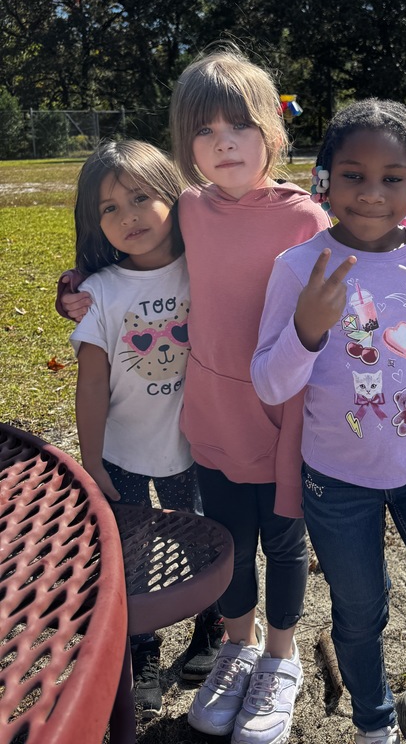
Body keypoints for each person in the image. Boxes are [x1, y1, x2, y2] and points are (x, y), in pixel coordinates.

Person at [60, 46, 329, 744]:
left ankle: (281, 657)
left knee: (284, 540)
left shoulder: (306, 218)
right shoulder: (190, 208)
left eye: (238, 124)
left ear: (273, 127)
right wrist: (77, 285)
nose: (223, 143)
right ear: (187, 146)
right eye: (204, 131)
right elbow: (128, 248)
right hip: (211, 416)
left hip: (282, 416)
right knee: (230, 543)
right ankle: (237, 650)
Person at [251, 99, 406, 744]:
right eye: (353, 175)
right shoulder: (298, 267)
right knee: (359, 617)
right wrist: (307, 328)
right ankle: (374, 719)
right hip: (336, 482)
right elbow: (268, 382)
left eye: (392, 177)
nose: (371, 193)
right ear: (323, 180)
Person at [68, 139, 199, 721]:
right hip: (121, 454)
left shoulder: (207, 269)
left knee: (200, 540)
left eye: (141, 197)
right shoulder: (100, 292)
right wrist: (91, 462)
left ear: (174, 195)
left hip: (195, 448)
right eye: (109, 208)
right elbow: (91, 384)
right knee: (133, 555)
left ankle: (213, 629)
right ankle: (143, 649)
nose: (128, 217)